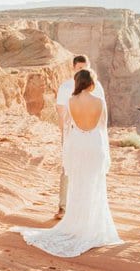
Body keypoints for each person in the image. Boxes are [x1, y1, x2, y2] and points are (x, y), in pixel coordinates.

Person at [15, 68, 122, 257]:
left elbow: (66, 129)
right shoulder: (100, 102)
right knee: (95, 185)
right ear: (91, 83)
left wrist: (68, 154)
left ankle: (77, 226)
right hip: (95, 144)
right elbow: (103, 130)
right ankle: (93, 227)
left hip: (79, 145)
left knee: (78, 186)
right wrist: (106, 155)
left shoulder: (71, 101)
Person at [54, 55, 104, 220]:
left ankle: (86, 208)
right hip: (74, 135)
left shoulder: (97, 87)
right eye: (81, 68)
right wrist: (65, 137)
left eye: (86, 67)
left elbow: (101, 120)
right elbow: (62, 115)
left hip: (89, 137)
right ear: (74, 68)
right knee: (68, 169)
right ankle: (63, 207)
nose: (84, 71)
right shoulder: (65, 87)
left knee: (88, 170)